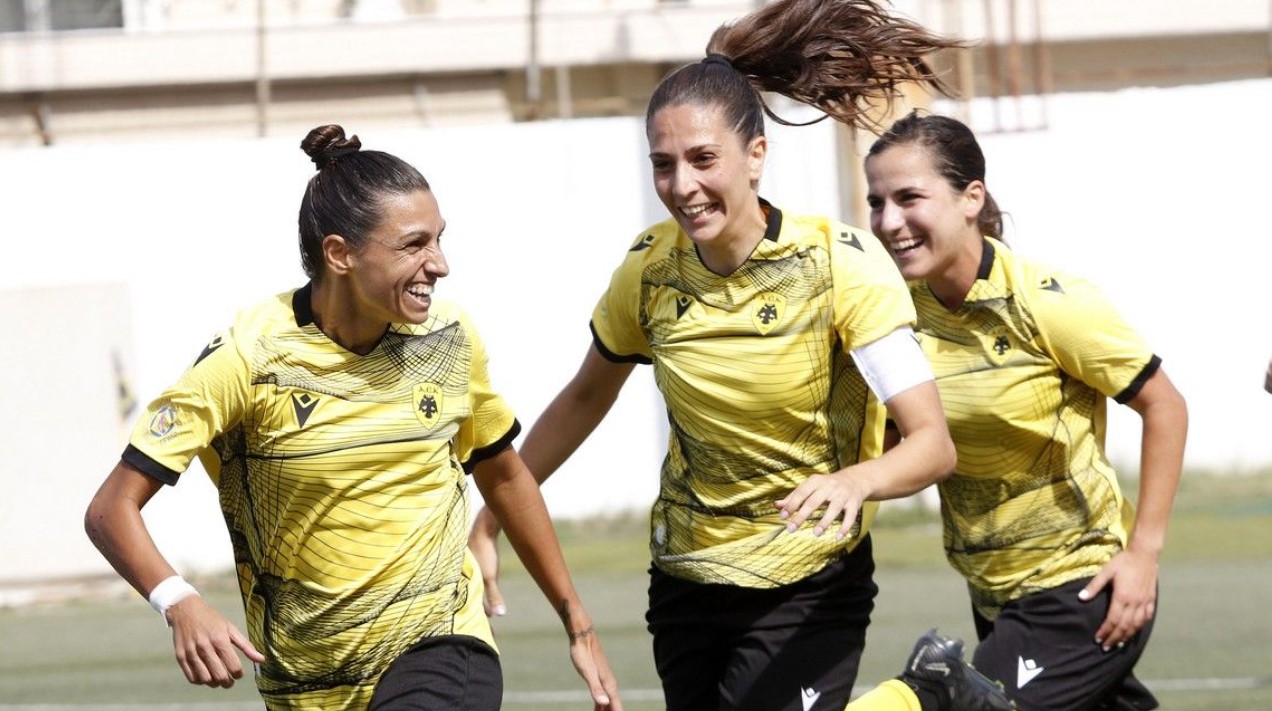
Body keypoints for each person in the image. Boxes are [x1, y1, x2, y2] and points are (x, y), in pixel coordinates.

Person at [466, 2, 1023, 710]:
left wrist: (855, 482)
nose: (682, 186)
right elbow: (584, 397)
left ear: (756, 155)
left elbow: (932, 445)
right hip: (686, 577)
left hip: (809, 579)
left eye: (703, 159)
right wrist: (491, 518)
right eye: (663, 164)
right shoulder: (649, 271)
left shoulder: (840, 266)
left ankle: (925, 695)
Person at [84, 124, 622, 711]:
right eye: (414, 245)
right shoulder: (248, 358)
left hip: (443, 640)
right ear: (340, 254)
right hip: (305, 684)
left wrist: (578, 622)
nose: (440, 264)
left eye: (439, 239)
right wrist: (178, 600)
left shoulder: (449, 338)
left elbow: (505, 475)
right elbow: (111, 509)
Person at [862, 111, 1189, 711]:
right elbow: (896, 441)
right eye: (876, 203)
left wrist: (1144, 553)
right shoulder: (896, 315)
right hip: (993, 593)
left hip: (1081, 587)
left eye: (909, 198)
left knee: (960, 703)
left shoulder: (1046, 303)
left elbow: (1164, 404)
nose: (889, 222)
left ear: (971, 197)